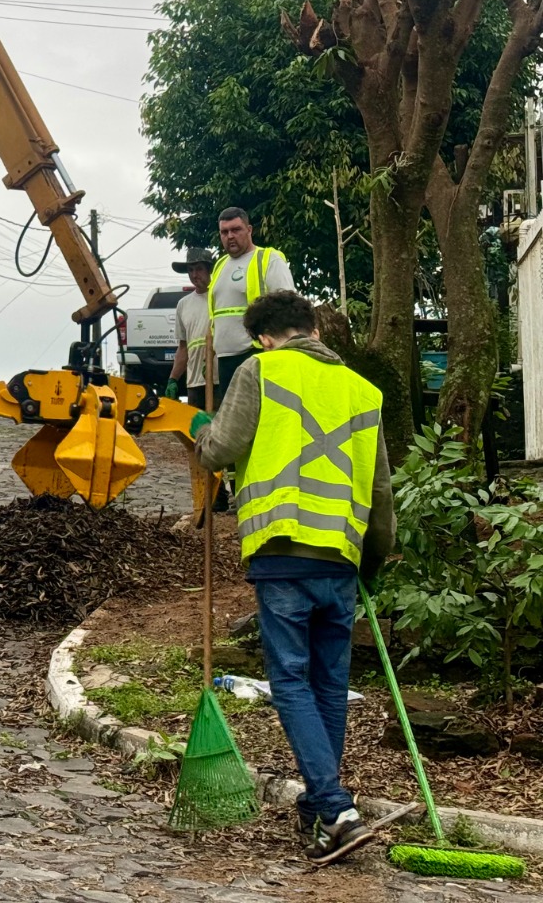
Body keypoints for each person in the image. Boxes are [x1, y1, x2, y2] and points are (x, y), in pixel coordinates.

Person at [190, 290, 396, 863]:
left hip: (281, 550)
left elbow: (220, 450)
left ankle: (334, 805)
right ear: (314, 327)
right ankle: (319, 813)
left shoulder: (260, 369)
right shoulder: (363, 390)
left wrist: (204, 431)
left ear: (264, 337)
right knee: (329, 686)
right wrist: (373, 563)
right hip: (342, 560)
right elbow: (380, 490)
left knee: (291, 681)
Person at [208, 207, 293, 392]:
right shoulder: (220, 266)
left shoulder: (268, 259)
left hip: (257, 354)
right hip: (225, 359)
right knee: (233, 418)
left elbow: (289, 307)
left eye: (236, 230)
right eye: (224, 232)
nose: (230, 236)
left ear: (249, 230)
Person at [165, 247, 215, 409]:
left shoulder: (219, 296)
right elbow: (183, 347)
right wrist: (173, 379)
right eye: (190, 270)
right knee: (197, 432)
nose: (194, 275)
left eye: (199, 269)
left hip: (219, 379)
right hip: (194, 382)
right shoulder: (183, 304)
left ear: (209, 270)